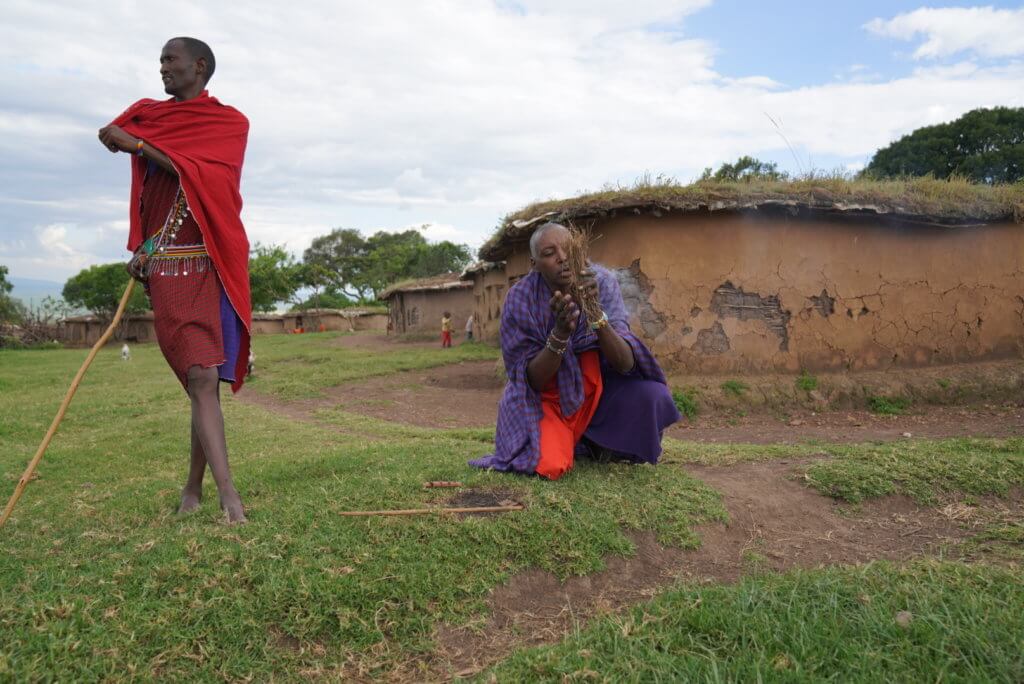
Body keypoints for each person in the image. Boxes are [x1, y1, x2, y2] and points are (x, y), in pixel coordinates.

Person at [98, 37, 251, 523]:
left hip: (215, 263)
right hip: (167, 267)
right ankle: (201, 488)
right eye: (161, 61)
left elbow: (210, 179)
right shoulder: (149, 115)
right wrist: (142, 247)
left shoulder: (230, 123)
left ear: (199, 67)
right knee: (197, 378)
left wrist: (140, 144)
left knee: (203, 378)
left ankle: (219, 492)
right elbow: (148, 188)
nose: (162, 68)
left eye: (171, 60)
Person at [470, 223, 679, 480]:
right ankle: (564, 439)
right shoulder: (520, 298)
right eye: (549, 253)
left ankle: (591, 443)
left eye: (569, 249)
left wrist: (594, 313)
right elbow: (531, 380)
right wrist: (560, 333)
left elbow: (625, 363)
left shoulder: (601, 282)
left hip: (597, 393)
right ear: (534, 263)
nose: (563, 257)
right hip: (545, 399)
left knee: (651, 396)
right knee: (549, 465)